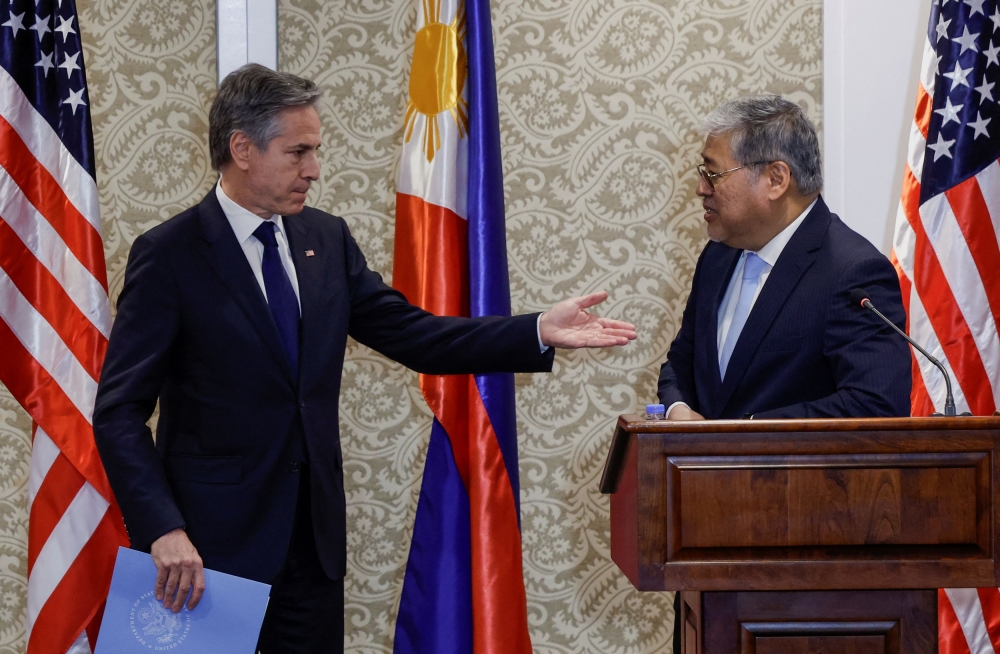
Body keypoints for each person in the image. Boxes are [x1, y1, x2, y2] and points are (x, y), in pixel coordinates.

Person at [92, 64, 636, 654]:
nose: (314, 170)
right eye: (298, 152)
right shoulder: (169, 255)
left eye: (315, 151)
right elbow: (119, 411)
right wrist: (163, 529)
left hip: (313, 551)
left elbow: (416, 336)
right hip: (205, 553)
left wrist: (535, 330)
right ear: (242, 149)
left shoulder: (325, 240)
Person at [656, 94, 911, 652]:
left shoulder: (852, 270)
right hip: (706, 551)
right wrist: (678, 411)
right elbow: (680, 362)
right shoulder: (718, 256)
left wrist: (735, 436)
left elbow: (875, 406)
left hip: (805, 570)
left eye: (712, 173)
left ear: (775, 178)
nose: (699, 188)